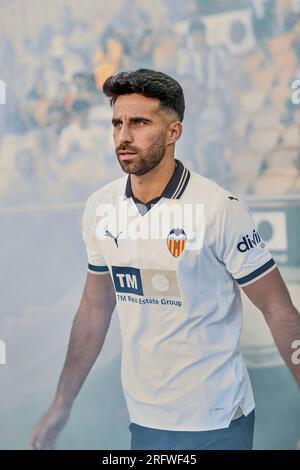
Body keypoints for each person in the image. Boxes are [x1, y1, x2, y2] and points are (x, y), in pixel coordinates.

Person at [29, 69, 300, 450]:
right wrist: (62, 402)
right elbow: (94, 308)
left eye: (139, 122)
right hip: (145, 420)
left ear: (174, 132)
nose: (124, 136)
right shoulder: (100, 207)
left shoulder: (219, 209)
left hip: (219, 421)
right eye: (117, 123)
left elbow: (279, 310)